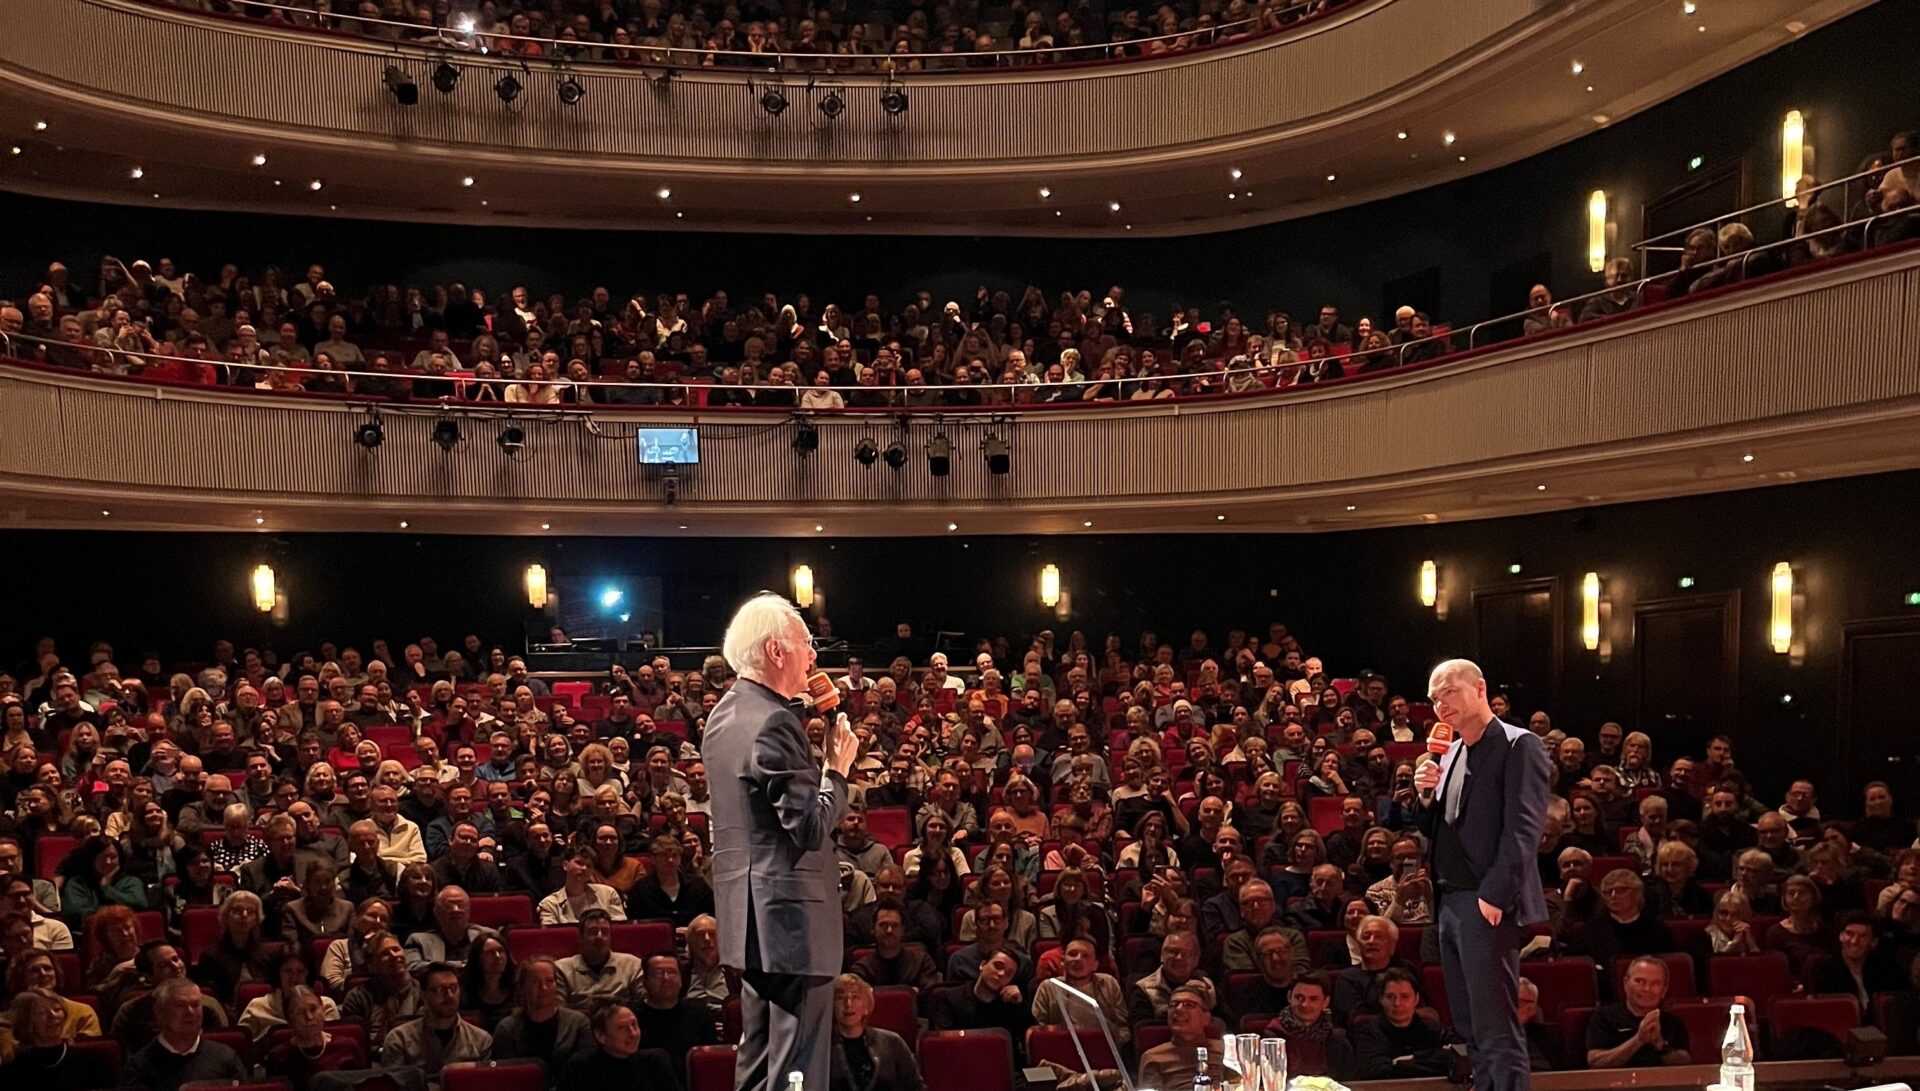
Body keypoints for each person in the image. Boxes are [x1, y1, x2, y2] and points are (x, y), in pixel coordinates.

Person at [706, 594, 859, 1091]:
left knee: (758, 1057)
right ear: (776, 651)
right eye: (806, 644)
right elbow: (810, 828)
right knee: (797, 1068)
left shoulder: (723, 717)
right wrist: (836, 770)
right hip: (792, 926)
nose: (812, 656)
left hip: (749, 923)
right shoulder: (775, 721)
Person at [1412, 658, 1549, 1091]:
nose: (1440, 705)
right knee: (1470, 1027)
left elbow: (1524, 829)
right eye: (1434, 699)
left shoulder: (1518, 744)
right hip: (1450, 902)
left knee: (1496, 1029)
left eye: (1449, 692)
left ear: (1479, 688)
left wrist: (1494, 895)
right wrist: (1424, 796)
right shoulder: (1450, 750)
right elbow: (1438, 827)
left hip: (1485, 902)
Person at [124, 978, 248, 1091]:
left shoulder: (226, 1058)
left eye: (195, 1005)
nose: (190, 1012)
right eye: (180, 1006)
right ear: (159, 1012)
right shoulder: (138, 1067)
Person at [382, 961, 494, 1075]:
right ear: (424, 996)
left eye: (454, 988)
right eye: (440, 989)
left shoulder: (481, 1041)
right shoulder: (399, 1039)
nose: (450, 996)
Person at [1585, 956, 1691, 1068]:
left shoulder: (1673, 1022)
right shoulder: (1603, 1017)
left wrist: (1660, 1043)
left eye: (1655, 983)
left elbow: (1684, 1063)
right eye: (1640, 981)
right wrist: (1639, 1040)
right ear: (1626, 983)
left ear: (1664, 990)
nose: (1647, 989)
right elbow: (1595, 1062)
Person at [0, 989, 120, 1088]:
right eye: (42, 1012)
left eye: (57, 1009)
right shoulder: (15, 1070)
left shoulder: (92, 1061)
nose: (53, 1015)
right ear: (27, 1023)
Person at [1351, 967, 1452, 1078]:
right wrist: (1428, 1060)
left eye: (1405, 996)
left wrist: (1402, 1062)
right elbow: (1375, 1071)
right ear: (1381, 999)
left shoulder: (1435, 1030)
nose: (1397, 1003)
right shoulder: (1367, 1033)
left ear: (1416, 999)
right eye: (1390, 997)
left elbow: (1456, 1058)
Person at [633, 953, 717, 1085]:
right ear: (645, 981)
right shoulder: (632, 1018)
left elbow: (710, 1063)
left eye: (672, 973)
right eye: (658, 974)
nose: (666, 978)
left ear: (681, 979)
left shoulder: (699, 1013)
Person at [830, 973, 924, 1091]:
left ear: (866, 1007)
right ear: (832, 1007)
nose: (848, 1004)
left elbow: (916, 1087)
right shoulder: (822, 1048)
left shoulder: (892, 1042)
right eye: (840, 998)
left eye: (855, 997)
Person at [555, 1002, 678, 1091]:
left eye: (634, 1025)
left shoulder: (655, 1062)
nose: (633, 1034)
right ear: (600, 1036)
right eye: (622, 1028)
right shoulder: (579, 1068)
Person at [261, 985, 364, 1086]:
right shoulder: (278, 1057)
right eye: (300, 1012)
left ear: (322, 1009)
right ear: (290, 1020)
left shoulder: (348, 1047)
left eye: (313, 1009)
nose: (309, 1017)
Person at [1263, 973, 1354, 1080]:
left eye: (1313, 999)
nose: (1305, 1004)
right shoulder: (1272, 1037)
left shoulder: (1338, 1040)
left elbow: (1349, 1082)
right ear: (1289, 997)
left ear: (1325, 1002)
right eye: (1299, 997)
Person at [1136, 984, 1228, 1089]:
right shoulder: (1153, 1057)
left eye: (1189, 1005)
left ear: (1206, 1018)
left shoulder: (1225, 1051)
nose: (1178, 1009)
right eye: (1173, 1005)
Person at [555, 909, 645, 1008]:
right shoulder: (562, 969)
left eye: (605, 932)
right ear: (581, 937)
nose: (599, 937)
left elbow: (644, 1005)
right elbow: (559, 1012)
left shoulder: (632, 965)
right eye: (593, 932)